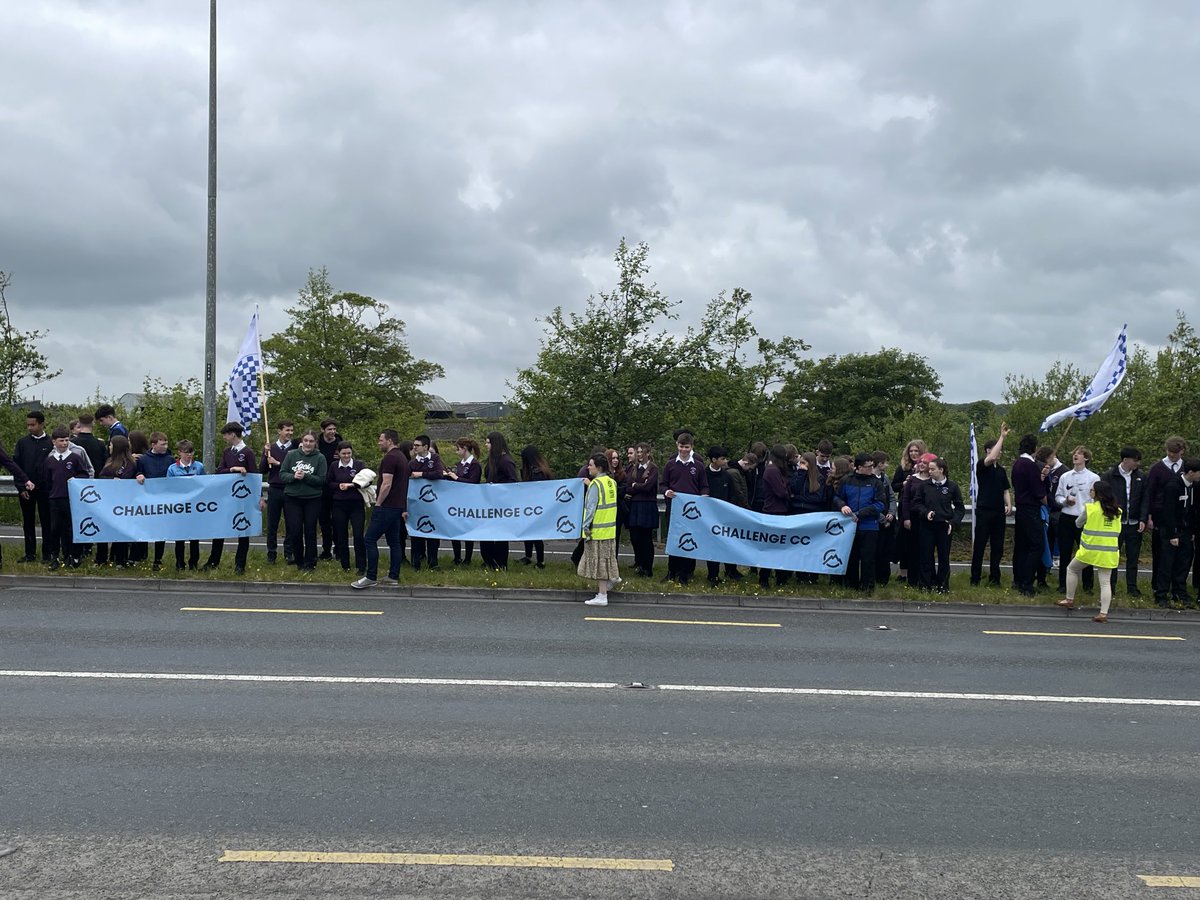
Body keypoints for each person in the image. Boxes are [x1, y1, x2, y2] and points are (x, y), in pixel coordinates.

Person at [1057, 480, 1122, 623]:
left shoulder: (1090, 508)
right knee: (1105, 583)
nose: (1090, 492)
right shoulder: (1118, 511)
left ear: (1097, 494)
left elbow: (1078, 523)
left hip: (1090, 550)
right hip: (1109, 552)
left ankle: (1069, 599)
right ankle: (1103, 614)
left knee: (1072, 569)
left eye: (1092, 490)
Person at [352, 430, 409, 589]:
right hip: (397, 506)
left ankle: (371, 576)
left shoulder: (390, 458)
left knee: (369, 539)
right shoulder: (402, 457)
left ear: (389, 441)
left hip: (387, 506)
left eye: (381, 440)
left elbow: (386, 483)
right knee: (394, 542)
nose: (379, 443)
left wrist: (379, 502)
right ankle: (393, 575)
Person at [204, 422, 256, 574]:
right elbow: (220, 471)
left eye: (226, 434)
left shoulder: (248, 453)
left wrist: (256, 497)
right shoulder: (227, 452)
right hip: (226, 496)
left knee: (242, 529)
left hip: (243, 497)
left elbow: (254, 475)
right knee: (220, 529)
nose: (224, 438)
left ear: (233, 434)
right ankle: (213, 560)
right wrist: (232, 469)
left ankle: (240, 564)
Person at [911, 456, 966, 593]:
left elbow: (960, 508)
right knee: (926, 556)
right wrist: (925, 512)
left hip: (944, 526)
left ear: (941, 470)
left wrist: (953, 522)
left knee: (943, 557)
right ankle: (925, 585)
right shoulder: (925, 485)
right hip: (927, 525)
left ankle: (943, 585)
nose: (929, 472)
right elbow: (917, 503)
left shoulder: (952, 486)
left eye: (932, 469)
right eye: (929, 469)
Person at [834, 452, 886, 593]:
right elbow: (837, 497)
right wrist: (842, 505)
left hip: (869, 525)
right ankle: (851, 584)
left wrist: (861, 514)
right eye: (867, 466)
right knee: (852, 556)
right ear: (858, 467)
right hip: (849, 525)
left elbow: (881, 504)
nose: (870, 468)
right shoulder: (847, 480)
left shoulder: (876, 482)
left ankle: (868, 586)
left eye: (872, 466)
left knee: (868, 558)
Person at [1152, 457, 1200, 608]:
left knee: (1184, 563)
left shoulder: (1194, 487)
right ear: (1191, 472)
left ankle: (1180, 592)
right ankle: (1161, 594)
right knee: (1166, 564)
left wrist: (1192, 530)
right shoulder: (1173, 486)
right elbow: (1168, 512)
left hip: (1187, 531)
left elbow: (1193, 510)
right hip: (1171, 531)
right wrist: (1172, 534)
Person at [661, 432, 708, 585]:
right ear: (677, 446)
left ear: (691, 447)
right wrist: (667, 492)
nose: (684, 450)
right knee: (674, 541)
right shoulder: (670, 464)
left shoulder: (699, 466)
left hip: (691, 513)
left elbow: (704, 487)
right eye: (681, 447)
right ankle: (671, 572)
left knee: (688, 540)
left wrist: (704, 496)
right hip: (674, 509)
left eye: (686, 447)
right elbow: (663, 484)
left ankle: (685, 573)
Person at [1145, 437, 1188, 602]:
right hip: (1160, 516)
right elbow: (1150, 493)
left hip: (1181, 517)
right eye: (1169, 452)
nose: (1171, 455)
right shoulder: (1157, 468)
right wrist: (1148, 515)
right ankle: (1158, 585)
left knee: (1179, 556)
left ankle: (1176, 587)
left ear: (1181, 451)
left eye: (1175, 453)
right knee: (1160, 553)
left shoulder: (1186, 467)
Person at [1101, 446, 1147, 599]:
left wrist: (1143, 518)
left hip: (1134, 523)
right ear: (1125, 460)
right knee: (1113, 556)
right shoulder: (1109, 476)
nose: (1137, 464)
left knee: (1133, 557)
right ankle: (1111, 587)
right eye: (1135, 461)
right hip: (1116, 522)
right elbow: (1104, 497)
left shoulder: (1140, 476)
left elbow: (1144, 499)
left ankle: (1132, 587)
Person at [970, 425, 1012, 587]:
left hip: (998, 513)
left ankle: (995, 578)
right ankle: (975, 578)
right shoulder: (982, 466)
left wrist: (1008, 504)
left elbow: (1005, 490)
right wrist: (1002, 437)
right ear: (988, 450)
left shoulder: (1001, 471)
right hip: (984, 511)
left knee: (997, 546)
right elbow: (991, 458)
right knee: (980, 545)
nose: (999, 452)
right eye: (997, 449)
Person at [281, 429, 328, 572]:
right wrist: (293, 476)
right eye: (306, 441)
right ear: (302, 442)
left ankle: (310, 562)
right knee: (295, 530)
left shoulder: (320, 458)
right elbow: (282, 474)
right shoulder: (291, 455)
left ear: (315, 443)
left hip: (312, 499)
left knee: (310, 530)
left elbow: (321, 480)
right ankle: (299, 561)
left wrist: (306, 476)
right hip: (292, 498)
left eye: (311, 441)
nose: (308, 443)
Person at [1055, 446, 1100, 595]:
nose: (1076, 456)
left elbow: (1096, 500)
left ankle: (1088, 586)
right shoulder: (1065, 476)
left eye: (1079, 454)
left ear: (1086, 458)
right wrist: (1065, 501)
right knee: (1065, 552)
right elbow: (1058, 496)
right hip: (1067, 516)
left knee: (1086, 552)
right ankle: (1063, 584)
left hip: (1084, 518)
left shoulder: (1093, 477)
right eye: (1074, 453)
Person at [577, 452, 620, 606]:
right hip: (609, 528)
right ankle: (613, 578)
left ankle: (602, 595)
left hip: (598, 529)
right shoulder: (611, 482)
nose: (588, 467)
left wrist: (585, 526)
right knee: (608, 559)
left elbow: (591, 508)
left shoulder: (595, 484)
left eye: (591, 465)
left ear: (599, 467)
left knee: (600, 563)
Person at [44, 425, 88, 569]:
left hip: (71, 499)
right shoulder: (50, 460)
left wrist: (75, 479)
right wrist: (51, 494)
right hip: (55, 499)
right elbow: (47, 480)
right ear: (54, 442)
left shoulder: (75, 457)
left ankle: (73, 556)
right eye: (61, 441)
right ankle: (54, 556)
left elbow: (84, 474)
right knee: (55, 528)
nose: (64, 443)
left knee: (70, 528)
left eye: (66, 440)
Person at [1011, 434, 1047, 597]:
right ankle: (1027, 583)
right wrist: (1053, 503)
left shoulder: (1017, 463)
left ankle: (1018, 580)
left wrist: (1040, 478)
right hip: (1031, 510)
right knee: (1036, 546)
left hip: (1020, 508)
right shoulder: (1030, 465)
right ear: (1034, 448)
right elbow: (1038, 492)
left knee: (1021, 546)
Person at [704, 446, 746, 586]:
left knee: (727, 544)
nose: (725, 461)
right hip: (708, 518)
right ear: (714, 460)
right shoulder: (704, 474)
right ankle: (712, 574)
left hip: (724, 517)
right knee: (711, 546)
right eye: (722, 459)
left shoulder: (726, 476)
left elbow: (732, 496)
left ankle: (731, 570)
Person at [14, 411, 52, 563]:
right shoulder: (22, 443)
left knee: (47, 521)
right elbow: (16, 466)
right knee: (28, 521)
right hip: (27, 489)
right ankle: (29, 553)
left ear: (42, 424)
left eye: (33, 424)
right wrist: (21, 487)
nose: (30, 428)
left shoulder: (50, 443)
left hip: (45, 489)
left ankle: (47, 553)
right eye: (28, 425)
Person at [94, 435, 138, 568]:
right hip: (106, 500)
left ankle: (120, 560)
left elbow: (125, 479)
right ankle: (101, 559)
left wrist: (113, 479)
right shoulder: (109, 460)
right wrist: (111, 479)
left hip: (122, 502)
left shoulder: (129, 463)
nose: (109, 447)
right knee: (103, 531)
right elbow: (101, 477)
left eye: (111, 445)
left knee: (120, 532)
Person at [328, 441, 368, 576]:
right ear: (338, 454)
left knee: (358, 536)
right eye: (344, 453)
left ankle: (361, 566)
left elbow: (366, 481)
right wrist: (339, 485)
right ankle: (345, 565)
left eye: (349, 453)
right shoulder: (334, 466)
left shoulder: (359, 465)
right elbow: (329, 483)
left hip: (356, 504)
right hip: (339, 504)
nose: (346, 456)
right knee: (341, 536)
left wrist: (351, 485)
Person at [480, 431, 518, 570]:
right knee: (487, 534)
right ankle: (489, 561)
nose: (486, 445)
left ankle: (501, 563)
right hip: (490, 504)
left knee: (500, 536)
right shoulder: (492, 460)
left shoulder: (506, 461)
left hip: (501, 505)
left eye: (488, 442)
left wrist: (499, 489)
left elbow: (513, 482)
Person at [136, 431, 174, 570]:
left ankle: (158, 559)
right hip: (147, 500)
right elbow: (137, 472)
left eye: (166, 444)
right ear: (154, 444)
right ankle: (142, 556)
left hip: (164, 500)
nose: (165, 446)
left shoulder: (170, 459)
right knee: (144, 529)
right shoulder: (143, 460)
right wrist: (139, 474)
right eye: (162, 444)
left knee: (160, 531)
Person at [260, 420, 296, 564]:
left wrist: (278, 464)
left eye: (291, 430)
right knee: (272, 524)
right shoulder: (271, 448)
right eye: (287, 430)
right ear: (279, 431)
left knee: (291, 523)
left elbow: (295, 468)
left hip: (290, 489)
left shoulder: (295, 449)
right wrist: (265, 454)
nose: (289, 433)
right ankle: (271, 553)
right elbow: (263, 469)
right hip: (275, 489)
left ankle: (289, 553)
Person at [166, 439, 205, 570]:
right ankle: (179, 563)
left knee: (195, 537)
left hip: (194, 506)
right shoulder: (172, 468)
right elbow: (168, 487)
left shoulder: (199, 466)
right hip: (180, 506)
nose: (189, 455)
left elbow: (204, 484)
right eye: (186, 452)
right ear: (180, 453)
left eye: (191, 452)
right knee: (180, 537)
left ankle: (193, 563)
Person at [892, 439, 927, 582]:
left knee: (920, 540)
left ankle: (919, 571)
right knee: (904, 540)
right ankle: (903, 572)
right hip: (906, 506)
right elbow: (894, 485)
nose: (913, 454)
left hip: (922, 508)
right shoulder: (903, 467)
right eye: (911, 451)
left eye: (916, 451)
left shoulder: (927, 467)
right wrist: (904, 484)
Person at [758, 444, 792, 589]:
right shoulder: (772, 471)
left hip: (779, 511)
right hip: (773, 512)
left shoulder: (775, 470)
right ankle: (764, 578)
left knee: (779, 547)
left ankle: (780, 577)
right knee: (771, 547)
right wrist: (788, 493)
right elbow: (781, 492)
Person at [407, 434, 443, 571]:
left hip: (433, 504)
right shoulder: (412, 463)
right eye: (414, 445)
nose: (414, 447)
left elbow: (439, 473)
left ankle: (433, 562)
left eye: (417, 445)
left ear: (426, 447)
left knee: (433, 534)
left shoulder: (435, 459)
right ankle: (415, 563)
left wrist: (422, 475)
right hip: (417, 504)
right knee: (416, 534)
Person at [445, 437, 482, 566]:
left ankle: (468, 558)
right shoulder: (459, 464)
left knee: (467, 531)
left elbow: (473, 483)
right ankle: (457, 557)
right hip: (457, 502)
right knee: (455, 530)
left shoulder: (475, 465)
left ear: (464, 448)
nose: (456, 451)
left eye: (457, 449)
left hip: (469, 502)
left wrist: (456, 478)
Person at [900, 453, 935, 589]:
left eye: (925, 463)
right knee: (913, 549)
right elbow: (905, 499)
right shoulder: (912, 480)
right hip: (914, 518)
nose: (921, 464)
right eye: (920, 462)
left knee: (927, 550)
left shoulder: (934, 480)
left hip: (928, 518)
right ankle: (913, 579)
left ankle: (928, 579)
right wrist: (906, 518)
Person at [624, 443, 659, 578]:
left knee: (646, 538)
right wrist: (638, 486)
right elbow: (628, 487)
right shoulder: (633, 468)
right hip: (635, 505)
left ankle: (648, 568)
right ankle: (640, 564)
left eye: (641, 452)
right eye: (637, 452)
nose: (639, 455)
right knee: (636, 537)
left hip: (647, 505)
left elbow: (649, 487)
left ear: (648, 453)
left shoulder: (653, 468)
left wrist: (635, 486)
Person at [519, 445, 553, 568]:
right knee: (528, 532)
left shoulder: (537, 473)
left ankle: (540, 561)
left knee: (536, 534)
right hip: (533, 506)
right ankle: (528, 556)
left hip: (536, 506)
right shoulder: (540, 470)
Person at [316, 419, 343, 561]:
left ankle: (339, 549)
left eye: (334, 429)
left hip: (336, 487)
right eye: (329, 429)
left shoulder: (340, 444)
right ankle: (326, 550)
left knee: (337, 521)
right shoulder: (317, 444)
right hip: (321, 488)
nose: (332, 432)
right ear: (323, 430)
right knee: (324, 521)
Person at [871, 451, 897, 587]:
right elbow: (868, 502)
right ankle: (874, 577)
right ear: (880, 463)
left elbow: (891, 497)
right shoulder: (870, 479)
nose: (887, 465)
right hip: (876, 520)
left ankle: (884, 578)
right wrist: (882, 518)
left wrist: (892, 513)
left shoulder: (884, 478)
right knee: (875, 550)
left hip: (888, 519)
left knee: (885, 550)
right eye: (885, 462)